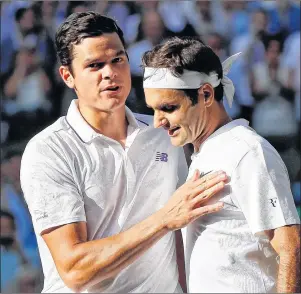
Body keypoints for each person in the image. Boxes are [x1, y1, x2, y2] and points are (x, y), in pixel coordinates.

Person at [20, 12, 228, 293]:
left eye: (117, 59)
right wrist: (163, 220)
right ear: (67, 76)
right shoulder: (49, 151)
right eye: (94, 65)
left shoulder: (163, 133)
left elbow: (181, 235)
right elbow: (74, 270)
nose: (110, 73)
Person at [142, 36, 300, 293]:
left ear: (205, 94)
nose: (158, 121)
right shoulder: (204, 152)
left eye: (168, 108)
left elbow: (290, 247)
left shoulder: (248, 151)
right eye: (154, 110)